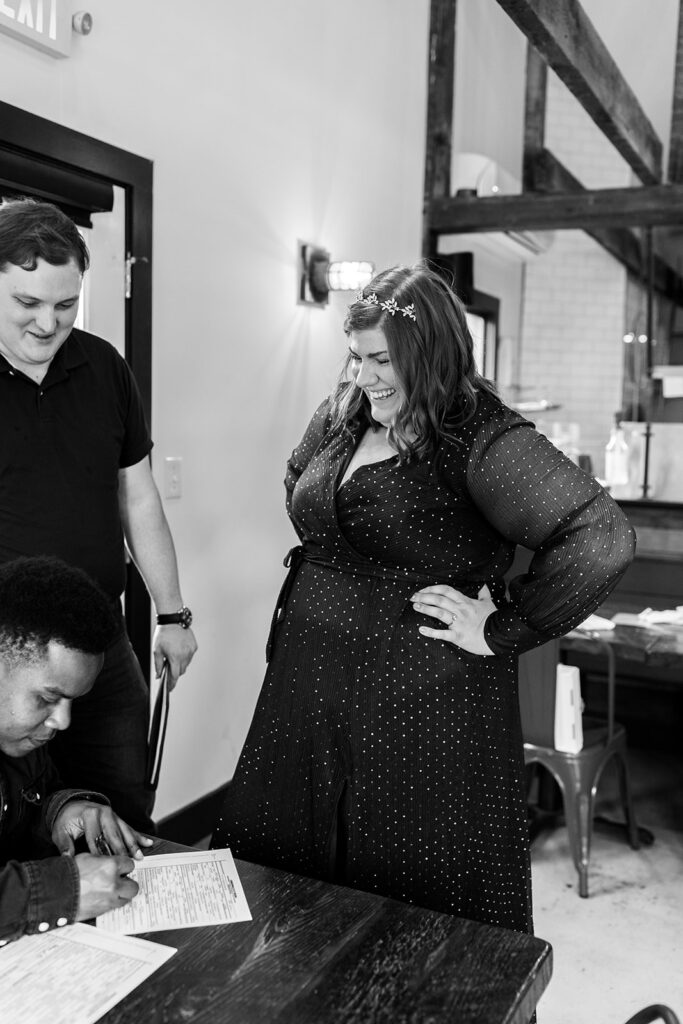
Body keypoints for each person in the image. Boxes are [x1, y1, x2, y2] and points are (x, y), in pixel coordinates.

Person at [212, 263, 635, 933]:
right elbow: (299, 478)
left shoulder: (481, 438)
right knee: (286, 873)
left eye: (383, 360)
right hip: (308, 685)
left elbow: (600, 538)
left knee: (405, 883)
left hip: (421, 701)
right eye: (355, 357)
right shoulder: (343, 414)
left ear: (432, 355)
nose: (363, 375)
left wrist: (500, 626)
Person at [0, 198, 197, 833]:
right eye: (27, 304)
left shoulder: (105, 367)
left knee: (120, 816)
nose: (47, 323)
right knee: (23, 826)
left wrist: (171, 614)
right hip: (10, 655)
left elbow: (137, 497)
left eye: (64, 305)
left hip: (101, 644)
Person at [0, 556, 154, 944]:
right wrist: (63, 891)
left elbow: (32, 797)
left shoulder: (22, 740)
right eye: (47, 698)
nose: (62, 723)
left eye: (73, 701)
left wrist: (62, 811)